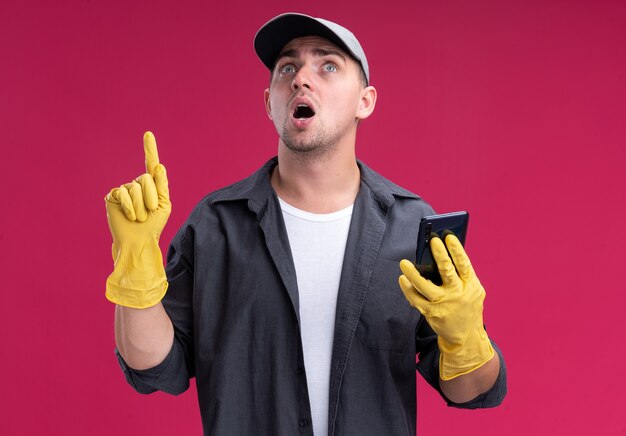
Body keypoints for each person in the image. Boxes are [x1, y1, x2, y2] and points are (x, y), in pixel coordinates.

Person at [104, 12, 507, 436]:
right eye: (288, 68)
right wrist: (134, 271)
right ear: (269, 103)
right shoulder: (214, 225)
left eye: (328, 65)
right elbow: (154, 368)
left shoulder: (411, 226)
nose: (301, 79)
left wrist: (466, 338)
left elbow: (469, 392)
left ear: (365, 101)